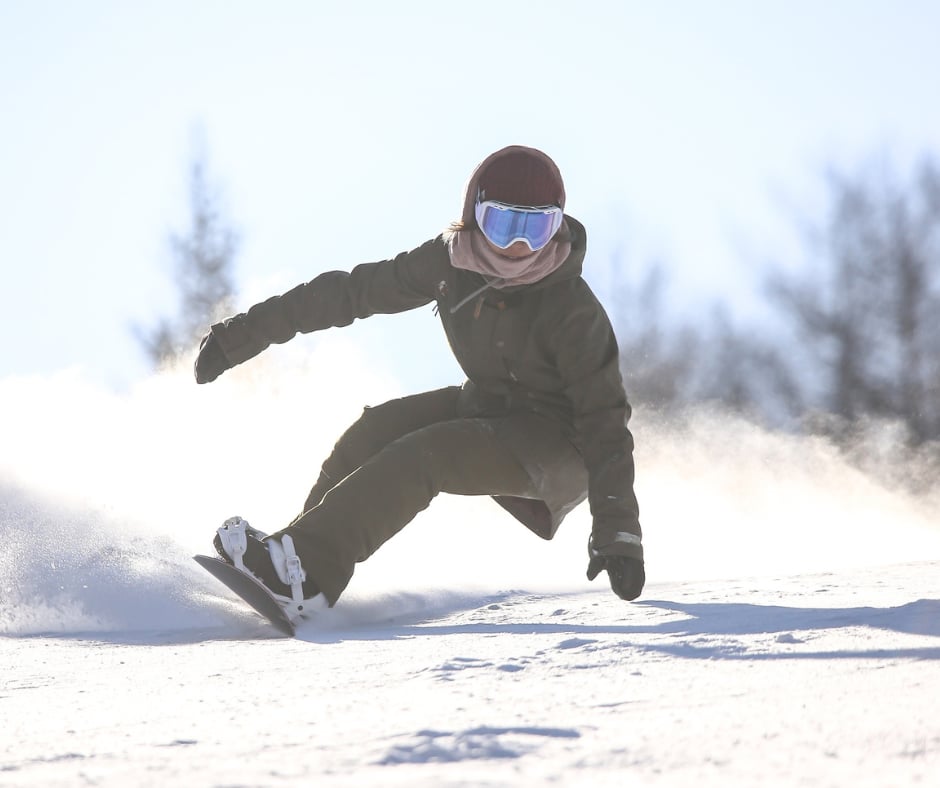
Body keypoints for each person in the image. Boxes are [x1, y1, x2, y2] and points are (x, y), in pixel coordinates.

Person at [194, 145, 644, 613]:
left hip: (560, 444)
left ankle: (307, 572)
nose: (518, 247)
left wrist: (619, 532)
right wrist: (241, 335)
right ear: (473, 215)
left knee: (425, 456)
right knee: (376, 428)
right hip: (491, 408)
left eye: (536, 229)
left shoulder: (572, 310)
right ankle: (295, 558)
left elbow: (605, 422)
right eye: (504, 223)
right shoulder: (450, 263)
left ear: (557, 227)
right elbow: (351, 293)